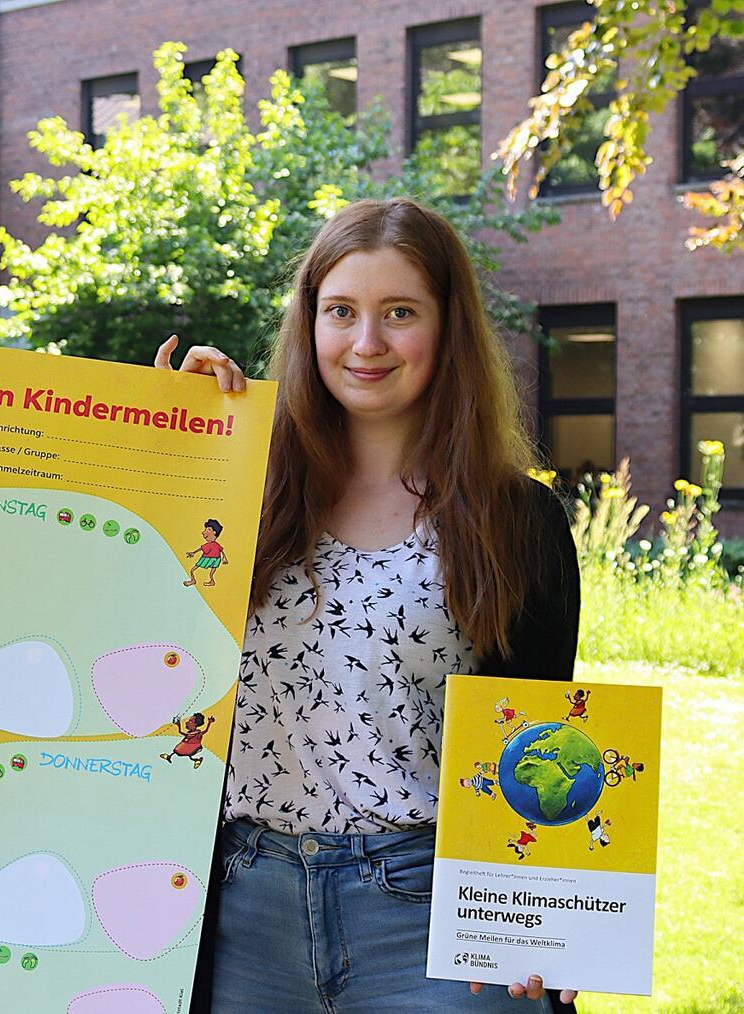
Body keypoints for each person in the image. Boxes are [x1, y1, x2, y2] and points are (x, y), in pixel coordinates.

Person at [156, 198, 580, 1011]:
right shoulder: (239, 483)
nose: (366, 343)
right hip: (243, 910)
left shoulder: (513, 519)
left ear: (447, 328)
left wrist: (544, 928)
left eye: (400, 314)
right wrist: (168, 442)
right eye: (341, 311)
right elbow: (44, 541)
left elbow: (541, 736)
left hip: (432, 919)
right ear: (309, 322)